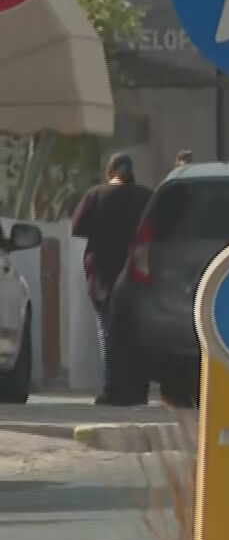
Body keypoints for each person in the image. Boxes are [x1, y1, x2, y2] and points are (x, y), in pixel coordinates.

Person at [72, 153, 153, 405]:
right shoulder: (145, 197)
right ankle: (138, 391)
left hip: (103, 274)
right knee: (137, 332)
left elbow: (78, 228)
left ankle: (113, 390)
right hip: (138, 272)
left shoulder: (96, 195)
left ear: (110, 172)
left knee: (107, 331)